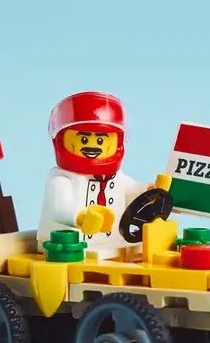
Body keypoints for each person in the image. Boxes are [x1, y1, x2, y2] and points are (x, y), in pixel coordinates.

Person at [37, 91, 148, 257]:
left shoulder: (117, 177)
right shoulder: (62, 179)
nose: (93, 146)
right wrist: (80, 217)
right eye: (83, 139)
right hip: (71, 249)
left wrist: (149, 190)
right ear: (61, 140)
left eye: (101, 140)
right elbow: (60, 208)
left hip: (116, 247)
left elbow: (131, 191)